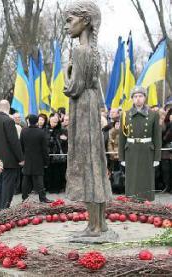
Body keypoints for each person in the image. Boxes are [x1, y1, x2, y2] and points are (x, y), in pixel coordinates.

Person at [64, 1, 112, 237]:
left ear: (85, 21)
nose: (66, 26)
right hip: (91, 106)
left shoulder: (80, 51)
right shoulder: (93, 50)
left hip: (82, 108)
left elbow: (73, 87)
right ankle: (98, 223)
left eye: (70, 20)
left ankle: (94, 226)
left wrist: (67, 70)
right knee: (95, 163)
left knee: (87, 163)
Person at [119, 86, 162, 201]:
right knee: (131, 179)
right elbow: (122, 138)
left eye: (140, 96)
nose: (138, 99)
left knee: (146, 178)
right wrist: (121, 157)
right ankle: (132, 202)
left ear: (145, 98)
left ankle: (146, 203)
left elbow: (157, 137)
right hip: (131, 150)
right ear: (132, 99)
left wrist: (157, 157)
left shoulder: (153, 115)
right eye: (135, 96)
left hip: (147, 150)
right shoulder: (125, 115)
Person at [0, 100, 24, 209]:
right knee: (8, 186)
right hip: (9, 160)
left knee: (0, 185)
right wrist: (20, 158)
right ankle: (5, 209)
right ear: (9, 108)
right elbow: (14, 141)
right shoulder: (9, 121)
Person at [20, 115, 51, 203]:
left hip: (27, 158)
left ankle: (24, 198)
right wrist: (46, 161)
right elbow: (45, 149)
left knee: (26, 178)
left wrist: (22, 157)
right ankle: (42, 197)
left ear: (28, 121)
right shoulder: (41, 132)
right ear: (37, 121)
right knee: (39, 179)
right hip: (38, 159)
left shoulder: (24, 131)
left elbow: (21, 145)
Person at [161, 107, 172, 193]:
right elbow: (164, 137)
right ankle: (167, 186)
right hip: (166, 149)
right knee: (166, 169)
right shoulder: (165, 124)